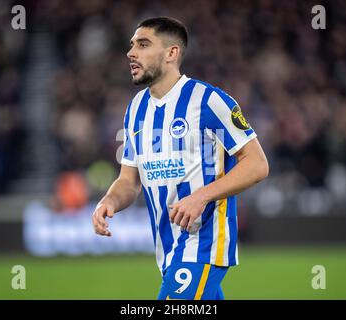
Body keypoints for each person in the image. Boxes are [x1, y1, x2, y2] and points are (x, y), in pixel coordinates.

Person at [92, 16, 269, 300]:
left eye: (143, 44)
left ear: (171, 53)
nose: (131, 52)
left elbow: (257, 164)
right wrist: (109, 200)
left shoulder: (209, 100)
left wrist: (201, 196)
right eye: (132, 45)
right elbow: (129, 180)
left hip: (203, 244)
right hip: (168, 250)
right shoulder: (135, 109)